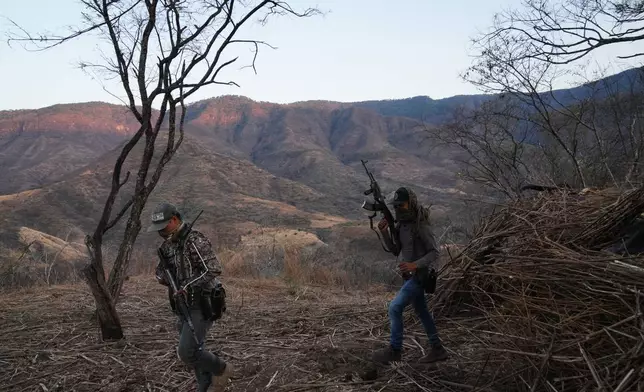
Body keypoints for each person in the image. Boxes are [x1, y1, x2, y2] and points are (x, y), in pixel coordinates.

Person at [148, 202, 233, 392]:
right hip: (182, 304)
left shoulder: (194, 240)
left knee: (187, 352)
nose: (160, 231)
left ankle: (222, 369)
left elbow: (213, 269)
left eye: (164, 226)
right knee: (195, 347)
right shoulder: (168, 245)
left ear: (175, 219)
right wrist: (163, 277)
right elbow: (161, 271)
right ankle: (206, 383)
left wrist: (186, 285)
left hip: (203, 302)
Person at [371, 187, 448, 364]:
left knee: (394, 308)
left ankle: (395, 350)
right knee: (422, 312)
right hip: (410, 277)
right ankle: (438, 349)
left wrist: (415, 264)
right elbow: (395, 249)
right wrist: (384, 232)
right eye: (396, 205)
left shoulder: (421, 225)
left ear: (410, 203)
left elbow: (435, 252)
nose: (398, 208)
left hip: (420, 276)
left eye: (401, 205)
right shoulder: (402, 225)